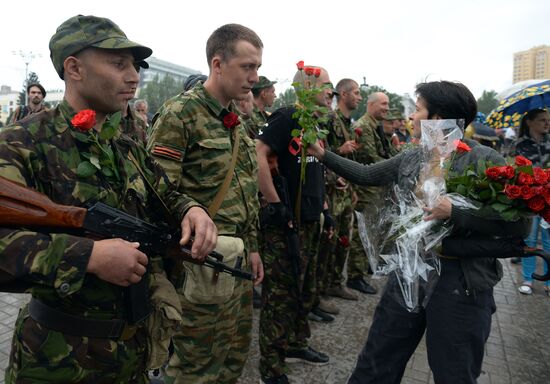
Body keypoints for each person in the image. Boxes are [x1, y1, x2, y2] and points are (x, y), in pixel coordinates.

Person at [0, 14, 217, 383]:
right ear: (74, 68)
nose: (133, 76)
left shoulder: (126, 145)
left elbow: (166, 193)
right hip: (57, 360)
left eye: (135, 66)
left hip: (132, 356)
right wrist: (90, 257)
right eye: (119, 64)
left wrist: (191, 210)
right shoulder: (22, 143)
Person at [308, 80, 530, 384]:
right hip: (410, 271)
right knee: (376, 362)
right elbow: (369, 174)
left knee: (454, 372)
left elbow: (519, 224)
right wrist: (324, 155)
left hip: (460, 282)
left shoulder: (484, 160)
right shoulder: (416, 155)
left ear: (437, 118)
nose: (411, 117)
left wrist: (457, 212)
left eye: (418, 109)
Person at [147, 23, 264, 384]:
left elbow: (245, 192)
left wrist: (254, 248)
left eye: (257, 68)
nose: (254, 78)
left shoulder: (235, 121)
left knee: (232, 357)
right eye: (248, 67)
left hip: (235, 262)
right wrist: (191, 211)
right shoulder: (180, 114)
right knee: (195, 366)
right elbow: (155, 186)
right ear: (218, 64)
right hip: (198, 265)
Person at [256, 65, 333, 384]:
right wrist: (274, 203)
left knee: (303, 288)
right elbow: (259, 154)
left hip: (311, 220)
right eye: (327, 86)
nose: (332, 94)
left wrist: (325, 208)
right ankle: (271, 366)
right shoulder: (287, 117)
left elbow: (316, 169)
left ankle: (296, 343)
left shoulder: (314, 124)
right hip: (287, 223)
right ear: (309, 88)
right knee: (281, 295)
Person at [345, 92, 392, 295]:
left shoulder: (374, 126)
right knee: (360, 234)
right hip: (365, 190)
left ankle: (364, 268)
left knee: (369, 231)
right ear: (371, 104)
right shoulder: (364, 126)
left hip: (374, 189)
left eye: (388, 104)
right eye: (383, 104)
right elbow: (372, 159)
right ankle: (355, 277)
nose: (387, 108)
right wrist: (397, 167)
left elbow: (386, 153)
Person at [321, 78, 363, 302]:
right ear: (343, 94)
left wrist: (353, 188)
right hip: (331, 191)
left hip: (346, 190)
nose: (359, 97)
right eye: (355, 93)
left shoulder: (350, 124)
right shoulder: (329, 119)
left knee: (343, 240)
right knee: (328, 240)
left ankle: (336, 282)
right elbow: (319, 153)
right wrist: (340, 148)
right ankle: (321, 287)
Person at [512, 108, 550, 295]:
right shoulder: (520, 144)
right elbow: (516, 171)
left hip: (548, 200)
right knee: (529, 239)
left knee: (548, 240)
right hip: (529, 198)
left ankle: (548, 281)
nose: (546, 123)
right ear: (530, 122)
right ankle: (528, 278)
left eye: (547, 120)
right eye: (542, 120)